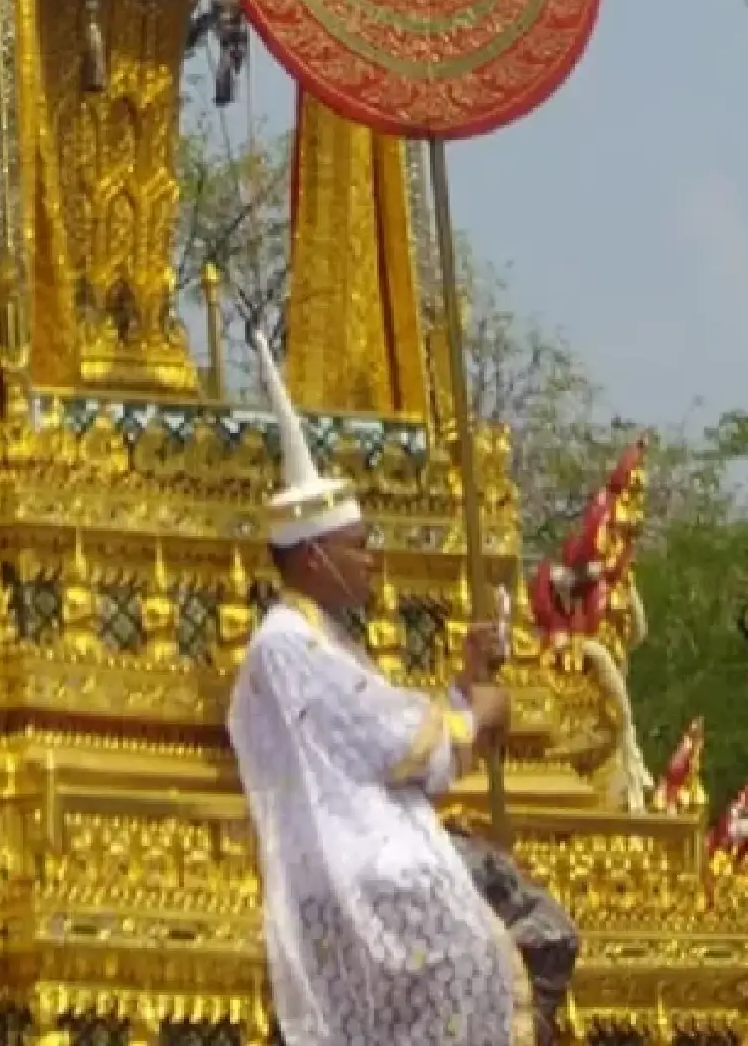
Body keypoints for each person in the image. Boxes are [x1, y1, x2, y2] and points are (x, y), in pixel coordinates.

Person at [228, 334, 577, 1046]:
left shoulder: (320, 638)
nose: (372, 558)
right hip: (370, 877)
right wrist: (479, 713)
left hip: (395, 854)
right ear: (315, 554)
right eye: (358, 544)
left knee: (541, 937)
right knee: (523, 946)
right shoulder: (286, 644)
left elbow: (390, 733)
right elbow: (399, 743)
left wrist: (468, 682)